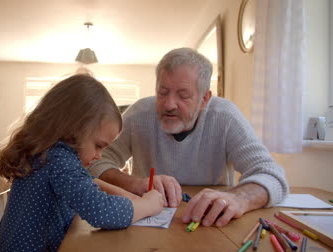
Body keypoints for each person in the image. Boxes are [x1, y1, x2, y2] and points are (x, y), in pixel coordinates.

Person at [88, 47, 289, 228]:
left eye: (183, 96)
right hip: (146, 222)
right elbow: (94, 163)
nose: (169, 104)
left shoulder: (225, 117)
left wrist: (239, 199)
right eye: (163, 92)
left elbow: (272, 175)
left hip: (211, 225)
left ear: (204, 99)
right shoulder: (139, 114)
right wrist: (134, 183)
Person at [0, 74, 163, 252]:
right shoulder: (59, 158)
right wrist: (147, 206)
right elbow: (100, 211)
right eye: (98, 145)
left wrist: (131, 198)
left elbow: (90, 181)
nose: (99, 155)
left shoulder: (48, 153)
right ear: (76, 128)